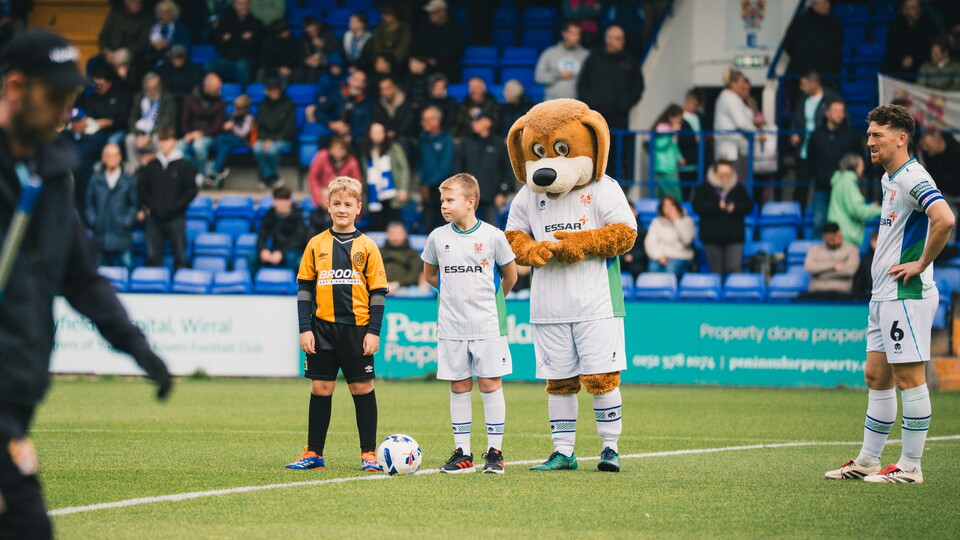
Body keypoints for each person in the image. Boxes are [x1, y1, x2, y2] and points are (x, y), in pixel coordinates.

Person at [0, 29, 171, 539]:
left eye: (70, 100)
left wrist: (136, 346)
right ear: (15, 86)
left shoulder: (52, 174)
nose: (64, 112)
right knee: (28, 522)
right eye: (55, 97)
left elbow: (81, 277)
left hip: (18, 385)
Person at [825, 104, 955, 484]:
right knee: (875, 376)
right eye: (868, 134)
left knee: (908, 377)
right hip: (883, 294)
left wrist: (921, 263)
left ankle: (911, 466)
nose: (869, 141)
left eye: (876, 135)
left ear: (901, 139)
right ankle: (868, 460)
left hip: (905, 294)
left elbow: (945, 218)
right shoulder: (890, 178)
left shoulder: (913, 176)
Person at [286, 176, 388, 473]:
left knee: (362, 388)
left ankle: (369, 454)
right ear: (328, 206)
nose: (342, 209)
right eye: (337, 204)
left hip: (357, 330)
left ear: (358, 208)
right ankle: (314, 453)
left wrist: (373, 331)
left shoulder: (367, 246)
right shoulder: (316, 244)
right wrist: (305, 328)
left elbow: (378, 292)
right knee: (320, 387)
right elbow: (305, 289)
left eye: (348, 204)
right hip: (322, 328)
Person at [421, 173, 518, 474]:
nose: (444, 205)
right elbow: (430, 274)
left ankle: (495, 452)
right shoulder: (437, 237)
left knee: (489, 384)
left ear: (470, 202)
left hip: (487, 325)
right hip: (451, 327)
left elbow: (510, 276)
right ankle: (463, 454)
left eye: (450, 200)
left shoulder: (493, 236)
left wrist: (490, 301)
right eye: (442, 200)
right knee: (459, 385)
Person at [137, 126, 198, 269]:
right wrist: (150, 205)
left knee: (180, 257)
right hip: (154, 218)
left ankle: (181, 281)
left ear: (174, 141)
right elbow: (142, 189)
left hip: (176, 218)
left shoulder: (185, 166)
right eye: (161, 141)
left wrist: (176, 207)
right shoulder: (151, 166)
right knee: (153, 257)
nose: (163, 144)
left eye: (167, 140)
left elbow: (191, 191)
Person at [807, 99, 864, 236]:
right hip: (822, 187)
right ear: (827, 113)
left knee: (844, 225)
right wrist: (818, 176)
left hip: (845, 188)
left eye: (842, 111)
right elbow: (810, 159)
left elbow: (860, 157)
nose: (839, 114)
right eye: (835, 111)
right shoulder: (817, 134)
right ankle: (818, 249)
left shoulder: (851, 134)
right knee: (819, 223)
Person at [576, 25, 645, 132]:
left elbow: (638, 85)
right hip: (595, 114)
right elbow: (583, 82)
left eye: (622, 39)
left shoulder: (630, 60)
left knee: (617, 142)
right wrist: (589, 102)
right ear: (607, 39)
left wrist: (625, 104)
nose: (621, 42)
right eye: (617, 39)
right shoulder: (594, 58)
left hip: (619, 117)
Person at [691, 160, 754, 278]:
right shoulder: (704, 188)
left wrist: (734, 207)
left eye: (728, 174)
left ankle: (734, 290)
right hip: (711, 237)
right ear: (714, 173)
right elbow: (697, 206)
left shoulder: (739, 188)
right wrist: (716, 206)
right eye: (721, 174)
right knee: (716, 271)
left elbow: (749, 206)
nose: (725, 177)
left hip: (734, 236)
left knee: (734, 268)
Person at [790, 71, 841, 208]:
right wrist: (794, 133)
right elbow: (796, 120)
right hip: (804, 151)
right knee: (801, 188)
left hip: (823, 151)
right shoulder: (802, 100)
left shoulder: (831, 98)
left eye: (804, 84)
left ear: (814, 84)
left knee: (825, 187)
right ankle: (799, 216)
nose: (801, 88)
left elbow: (841, 122)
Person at [84, 143, 138, 268]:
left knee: (126, 267)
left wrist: (127, 222)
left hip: (122, 234)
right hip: (101, 234)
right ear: (103, 158)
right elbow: (88, 203)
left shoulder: (129, 179)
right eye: (108, 155)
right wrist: (94, 221)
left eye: (115, 155)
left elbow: (134, 204)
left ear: (120, 157)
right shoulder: (95, 179)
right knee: (100, 270)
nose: (111, 158)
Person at [456, 113, 513, 226]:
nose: (474, 124)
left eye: (478, 121)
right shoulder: (466, 142)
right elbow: (458, 169)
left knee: (491, 231)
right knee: (466, 230)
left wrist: (502, 193)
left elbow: (506, 171)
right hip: (468, 197)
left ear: (487, 123)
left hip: (492, 198)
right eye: (473, 121)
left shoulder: (498, 143)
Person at [781, 0, 843, 102]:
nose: (828, 6)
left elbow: (838, 43)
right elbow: (788, 44)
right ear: (815, 4)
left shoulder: (834, 22)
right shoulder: (800, 21)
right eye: (825, 3)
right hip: (804, 74)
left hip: (828, 77)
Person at [713, 68, 762, 182]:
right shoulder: (729, 98)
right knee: (735, 183)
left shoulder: (733, 98)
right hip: (732, 151)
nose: (744, 85)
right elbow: (741, 122)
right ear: (733, 83)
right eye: (742, 81)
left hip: (737, 149)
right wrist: (758, 134)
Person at [359, 122, 410, 232]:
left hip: (393, 193)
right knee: (377, 225)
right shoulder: (365, 151)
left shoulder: (394, 147)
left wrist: (403, 189)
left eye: (381, 131)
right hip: (374, 194)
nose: (378, 134)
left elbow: (404, 168)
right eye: (375, 132)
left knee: (393, 223)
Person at [124, 72, 176, 172]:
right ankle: (136, 170)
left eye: (155, 88)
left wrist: (150, 135)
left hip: (158, 132)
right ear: (144, 88)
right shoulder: (139, 97)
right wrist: (138, 134)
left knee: (158, 139)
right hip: (141, 133)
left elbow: (166, 121)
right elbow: (131, 119)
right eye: (149, 88)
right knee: (129, 139)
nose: (152, 91)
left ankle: (160, 169)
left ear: (159, 87)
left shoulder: (166, 98)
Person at [178, 72, 225, 180]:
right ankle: (198, 169)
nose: (219, 92)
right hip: (190, 134)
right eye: (216, 89)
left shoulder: (220, 103)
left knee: (198, 146)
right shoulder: (190, 99)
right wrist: (188, 134)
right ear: (206, 87)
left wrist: (202, 134)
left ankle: (202, 174)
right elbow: (184, 120)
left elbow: (217, 126)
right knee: (178, 148)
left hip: (209, 135)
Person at [827, 153, 882, 246]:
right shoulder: (848, 183)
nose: (863, 168)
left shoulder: (841, 180)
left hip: (839, 233)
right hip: (845, 236)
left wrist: (870, 207)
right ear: (854, 167)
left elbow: (850, 206)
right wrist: (882, 209)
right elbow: (858, 211)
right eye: (861, 165)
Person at [207, 0, 263, 88]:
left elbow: (254, 45)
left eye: (246, 3)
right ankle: (214, 92)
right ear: (234, 5)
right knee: (207, 66)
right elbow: (219, 45)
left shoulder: (256, 23)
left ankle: (244, 94)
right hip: (228, 59)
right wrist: (242, 38)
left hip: (247, 60)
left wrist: (230, 38)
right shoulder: (225, 22)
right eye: (240, 4)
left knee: (242, 66)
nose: (244, 6)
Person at [309, 69, 372, 146]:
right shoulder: (338, 96)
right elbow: (319, 111)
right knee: (323, 141)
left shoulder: (367, 102)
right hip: (336, 133)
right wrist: (332, 124)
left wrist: (351, 135)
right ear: (349, 80)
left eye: (361, 82)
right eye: (355, 80)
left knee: (361, 142)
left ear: (364, 85)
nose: (357, 85)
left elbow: (366, 123)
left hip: (355, 137)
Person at [418, 105, 455, 233]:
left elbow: (445, 167)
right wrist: (422, 182)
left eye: (426, 120)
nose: (423, 123)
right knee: (427, 226)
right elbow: (419, 162)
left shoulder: (447, 139)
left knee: (446, 227)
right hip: (426, 190)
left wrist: (427, 184)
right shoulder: (422, 139)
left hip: (443, 190)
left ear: (436, 121)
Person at [253, 79, 295, 187]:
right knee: (256, 148)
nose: (274, 92)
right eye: (271, 90)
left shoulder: (289, 104)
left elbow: (289, 129)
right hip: (265, 139)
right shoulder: (262, 105)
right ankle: (271, 175)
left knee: (271, 150)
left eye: (276, 89)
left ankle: (268, 176)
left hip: (283, 138)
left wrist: (273, 139)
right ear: (266, 91)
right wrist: (265, 139)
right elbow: (259, 126)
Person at [801, 222, 860, 300]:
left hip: (841, 293)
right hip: (817, 292)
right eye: (832, 239)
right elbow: (809, 267)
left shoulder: (852, 249)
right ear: (824, 237)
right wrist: (833, 265)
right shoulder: (815, 250)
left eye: (839, 237)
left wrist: (820, 274)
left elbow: (850, 271)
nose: (836, 240)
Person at [58, 107, 102, 212]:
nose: (76, 124)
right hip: (68, 179)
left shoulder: (96, 136)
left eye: (78, 121)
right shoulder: (64, 135)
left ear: (85, 119)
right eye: (73, 121)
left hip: (88, 180)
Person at [254, 185, 305, 273]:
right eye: (279, 200)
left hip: (291, 251)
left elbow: (298, 241)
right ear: (274, 202)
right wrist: (263, 250)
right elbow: (261, 236)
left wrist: (281, 252)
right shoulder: (269, 216)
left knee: (292, 258)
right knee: (252, 258)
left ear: (290, 201)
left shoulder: (298, 216)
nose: (282, 204)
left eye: (285, 200)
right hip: (274, 250)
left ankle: (294, 281)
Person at [535, 20, 590, 101]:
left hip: (577, 103)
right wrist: (558, 75)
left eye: (578, 34)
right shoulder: (549, 53)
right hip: (553, 103)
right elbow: (538, 77)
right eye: (573, 34)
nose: (577, 37)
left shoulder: (586, 55)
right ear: (564, 34)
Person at [77, 68, 132, 149]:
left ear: (108, 84)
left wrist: (110, 122)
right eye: (95, 85)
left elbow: (125, 120)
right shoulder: (89, 97)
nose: (97, 87)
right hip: (94, 129)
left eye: (100, 85)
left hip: (116, 130)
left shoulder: (120, 97)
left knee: (111, 142)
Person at [883, 0, 939, 78]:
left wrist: (914, 59)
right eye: (913, 8)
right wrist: (901, 59)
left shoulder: (929, 25)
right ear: (904, 11)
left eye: (918, 7)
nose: (916, 10)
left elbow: (929, 47)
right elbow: (891, 47)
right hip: (900, 64)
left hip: (921, 62)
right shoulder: (895, 26)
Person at [208, 93, 255, 187]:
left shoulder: (249, 117)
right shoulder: (233, 115)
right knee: (224, 147)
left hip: (243, 142)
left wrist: (232, 127)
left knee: (221, 139)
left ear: (245, 108)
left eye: (239, 108)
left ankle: (214, 171)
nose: (236, 110)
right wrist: (225, 127)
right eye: (235, 107)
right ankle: (216, 173)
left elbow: (243, 134)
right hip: (229, 141)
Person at [412, 0, 465, 83]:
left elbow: (454, 50)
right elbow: (417, 46)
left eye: (434, 12)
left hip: (446, 67)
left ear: (442, 12)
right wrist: (423, 59)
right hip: (426, 65)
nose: (431, 15)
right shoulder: (424, 28)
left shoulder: (455, 29)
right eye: (429, 13)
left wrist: (436, 60)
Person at [643, 195, 695, 278]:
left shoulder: (687, 221)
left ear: (677, 207)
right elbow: (650, 243)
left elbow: (687, 240)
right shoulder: (656, 222)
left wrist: (676, 221)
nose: (668, 209)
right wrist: (659, 256)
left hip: (680, 256)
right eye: (665, 206)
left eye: (671, 205)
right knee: (652, 268)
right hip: (660, 256)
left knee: (670, 269)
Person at [308, 135, 362, 211]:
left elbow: (356, 184)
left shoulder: (352, 162)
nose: (337, 151)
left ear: (346, 150)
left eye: (341, 149)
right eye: (335, 148)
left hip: (344, 194)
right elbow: (313, 177)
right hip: (323, 194)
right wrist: (318, 199)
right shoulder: (322, 156)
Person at [371, 76, 418, 153]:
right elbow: (376, 121)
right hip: (384, 135)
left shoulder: (406, 104)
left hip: (404, 136)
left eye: (387, 89)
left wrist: (395, 133)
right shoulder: (378, 105)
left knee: (402, 140)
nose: (385, 92)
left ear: (394, 88)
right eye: (382, 89)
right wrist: (385, 133)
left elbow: (409, 125)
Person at [650, 104, 685, 200]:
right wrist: (671, 133)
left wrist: (679, 157)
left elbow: (674, 146)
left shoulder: (672, 130)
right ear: (671, 117)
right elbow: (659, 145)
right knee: (673, 195)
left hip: (671, 167)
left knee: (664, 194)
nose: (680, 121)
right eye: (678, 118)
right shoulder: (661, 128)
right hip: (663, 167)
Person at [143, 0, 190, 70]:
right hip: (154, 61)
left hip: (175, 63)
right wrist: (151, 45)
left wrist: (168, 44)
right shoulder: (154, 27)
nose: (164, 14)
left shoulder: (180, 28)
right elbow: (144, 48)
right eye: (161, 12)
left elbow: (186, 47)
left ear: (173, 12)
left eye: (167, 11)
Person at [381, 221, 424, 293]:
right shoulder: (379, 251)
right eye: (392, 234)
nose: (395, 237)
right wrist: (382, 285)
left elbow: (414, 275)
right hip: (380, 287)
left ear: (405, 234)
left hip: (405, 288)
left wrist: (396, 285)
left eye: (398, 234)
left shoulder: (412, 253)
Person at [299, 15, 342, 83]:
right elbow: (300, 55)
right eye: (310, 32)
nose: (312, 33)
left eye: (314, 30)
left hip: (326, 63)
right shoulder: (304, 38)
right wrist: (306, 61)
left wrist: (324, 45)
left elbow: (336, 50)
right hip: (309, 66)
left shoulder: (328, 34)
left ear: (317, 26)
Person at [918, 129, 960, 199]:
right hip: (941, 193)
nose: (925, 148)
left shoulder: (957, 152)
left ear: (939, 143)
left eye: (928, 146)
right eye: (924, 145)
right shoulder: (928, 154)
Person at [257, 20, 299, 87]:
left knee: (285, 75)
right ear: (278, 34)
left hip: (287, 67)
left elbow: (294, 57)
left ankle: (282, 92)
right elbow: (265, 62)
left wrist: (286, 67)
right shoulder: (268, 43)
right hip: (272, 68)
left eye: (288, 30)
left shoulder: (292, 40)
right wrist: (277, 69)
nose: (288, 32)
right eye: (285, 32)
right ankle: (259, 91)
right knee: (261, 72)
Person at [678, 88, 703, 199]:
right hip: (684, 162)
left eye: (697, 105)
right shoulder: (680, 118)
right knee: (684, 192)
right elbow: (678, 139)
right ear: (686, 101)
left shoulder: (699, 117)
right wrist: (693, 138)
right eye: (694, 104)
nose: (695, 107)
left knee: (698, 192)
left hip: (697, 162)